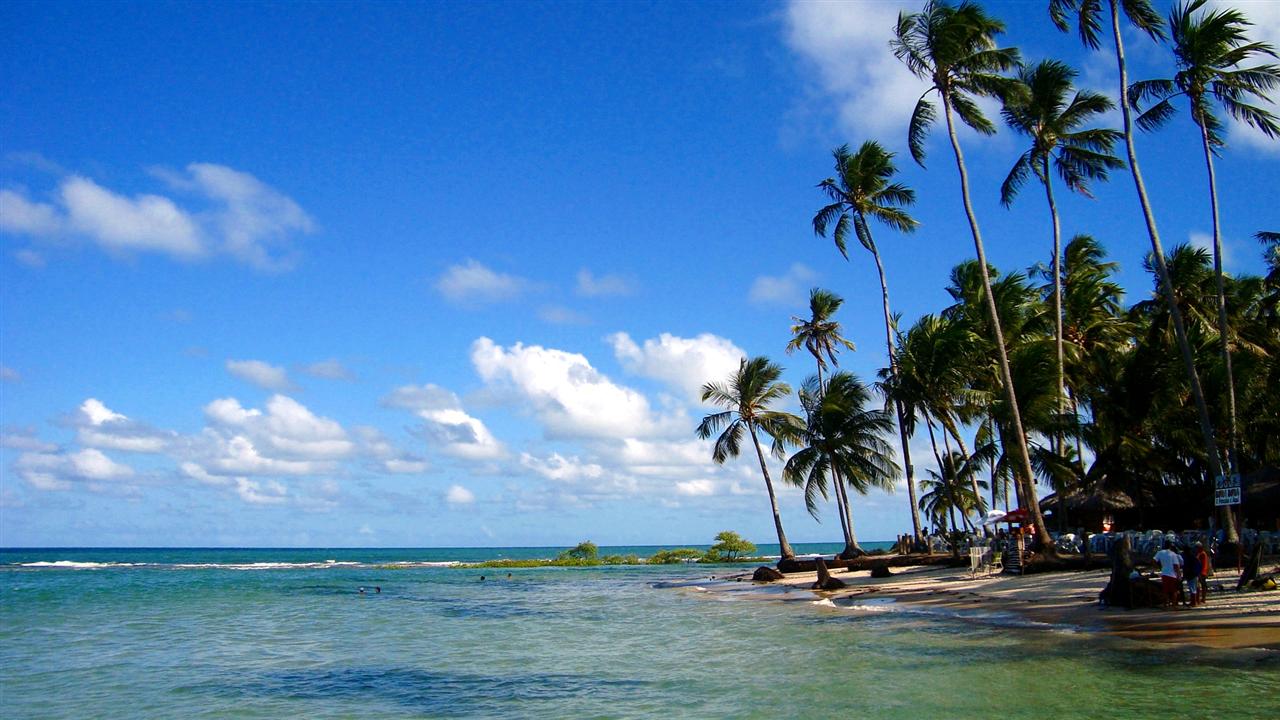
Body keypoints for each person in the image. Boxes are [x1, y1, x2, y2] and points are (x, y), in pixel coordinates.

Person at [1153, 541, 1183, 609]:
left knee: (1165, 591)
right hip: (1172, 575)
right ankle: (1174, 605)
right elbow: (1176, 566)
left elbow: (1154, 560)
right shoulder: (1173, 554)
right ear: (1170, 546)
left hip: (1164, 574)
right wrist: (1179, 575)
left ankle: (1165, 605)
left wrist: (1159, 567)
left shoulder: (1160, 552)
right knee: (1174, 591)